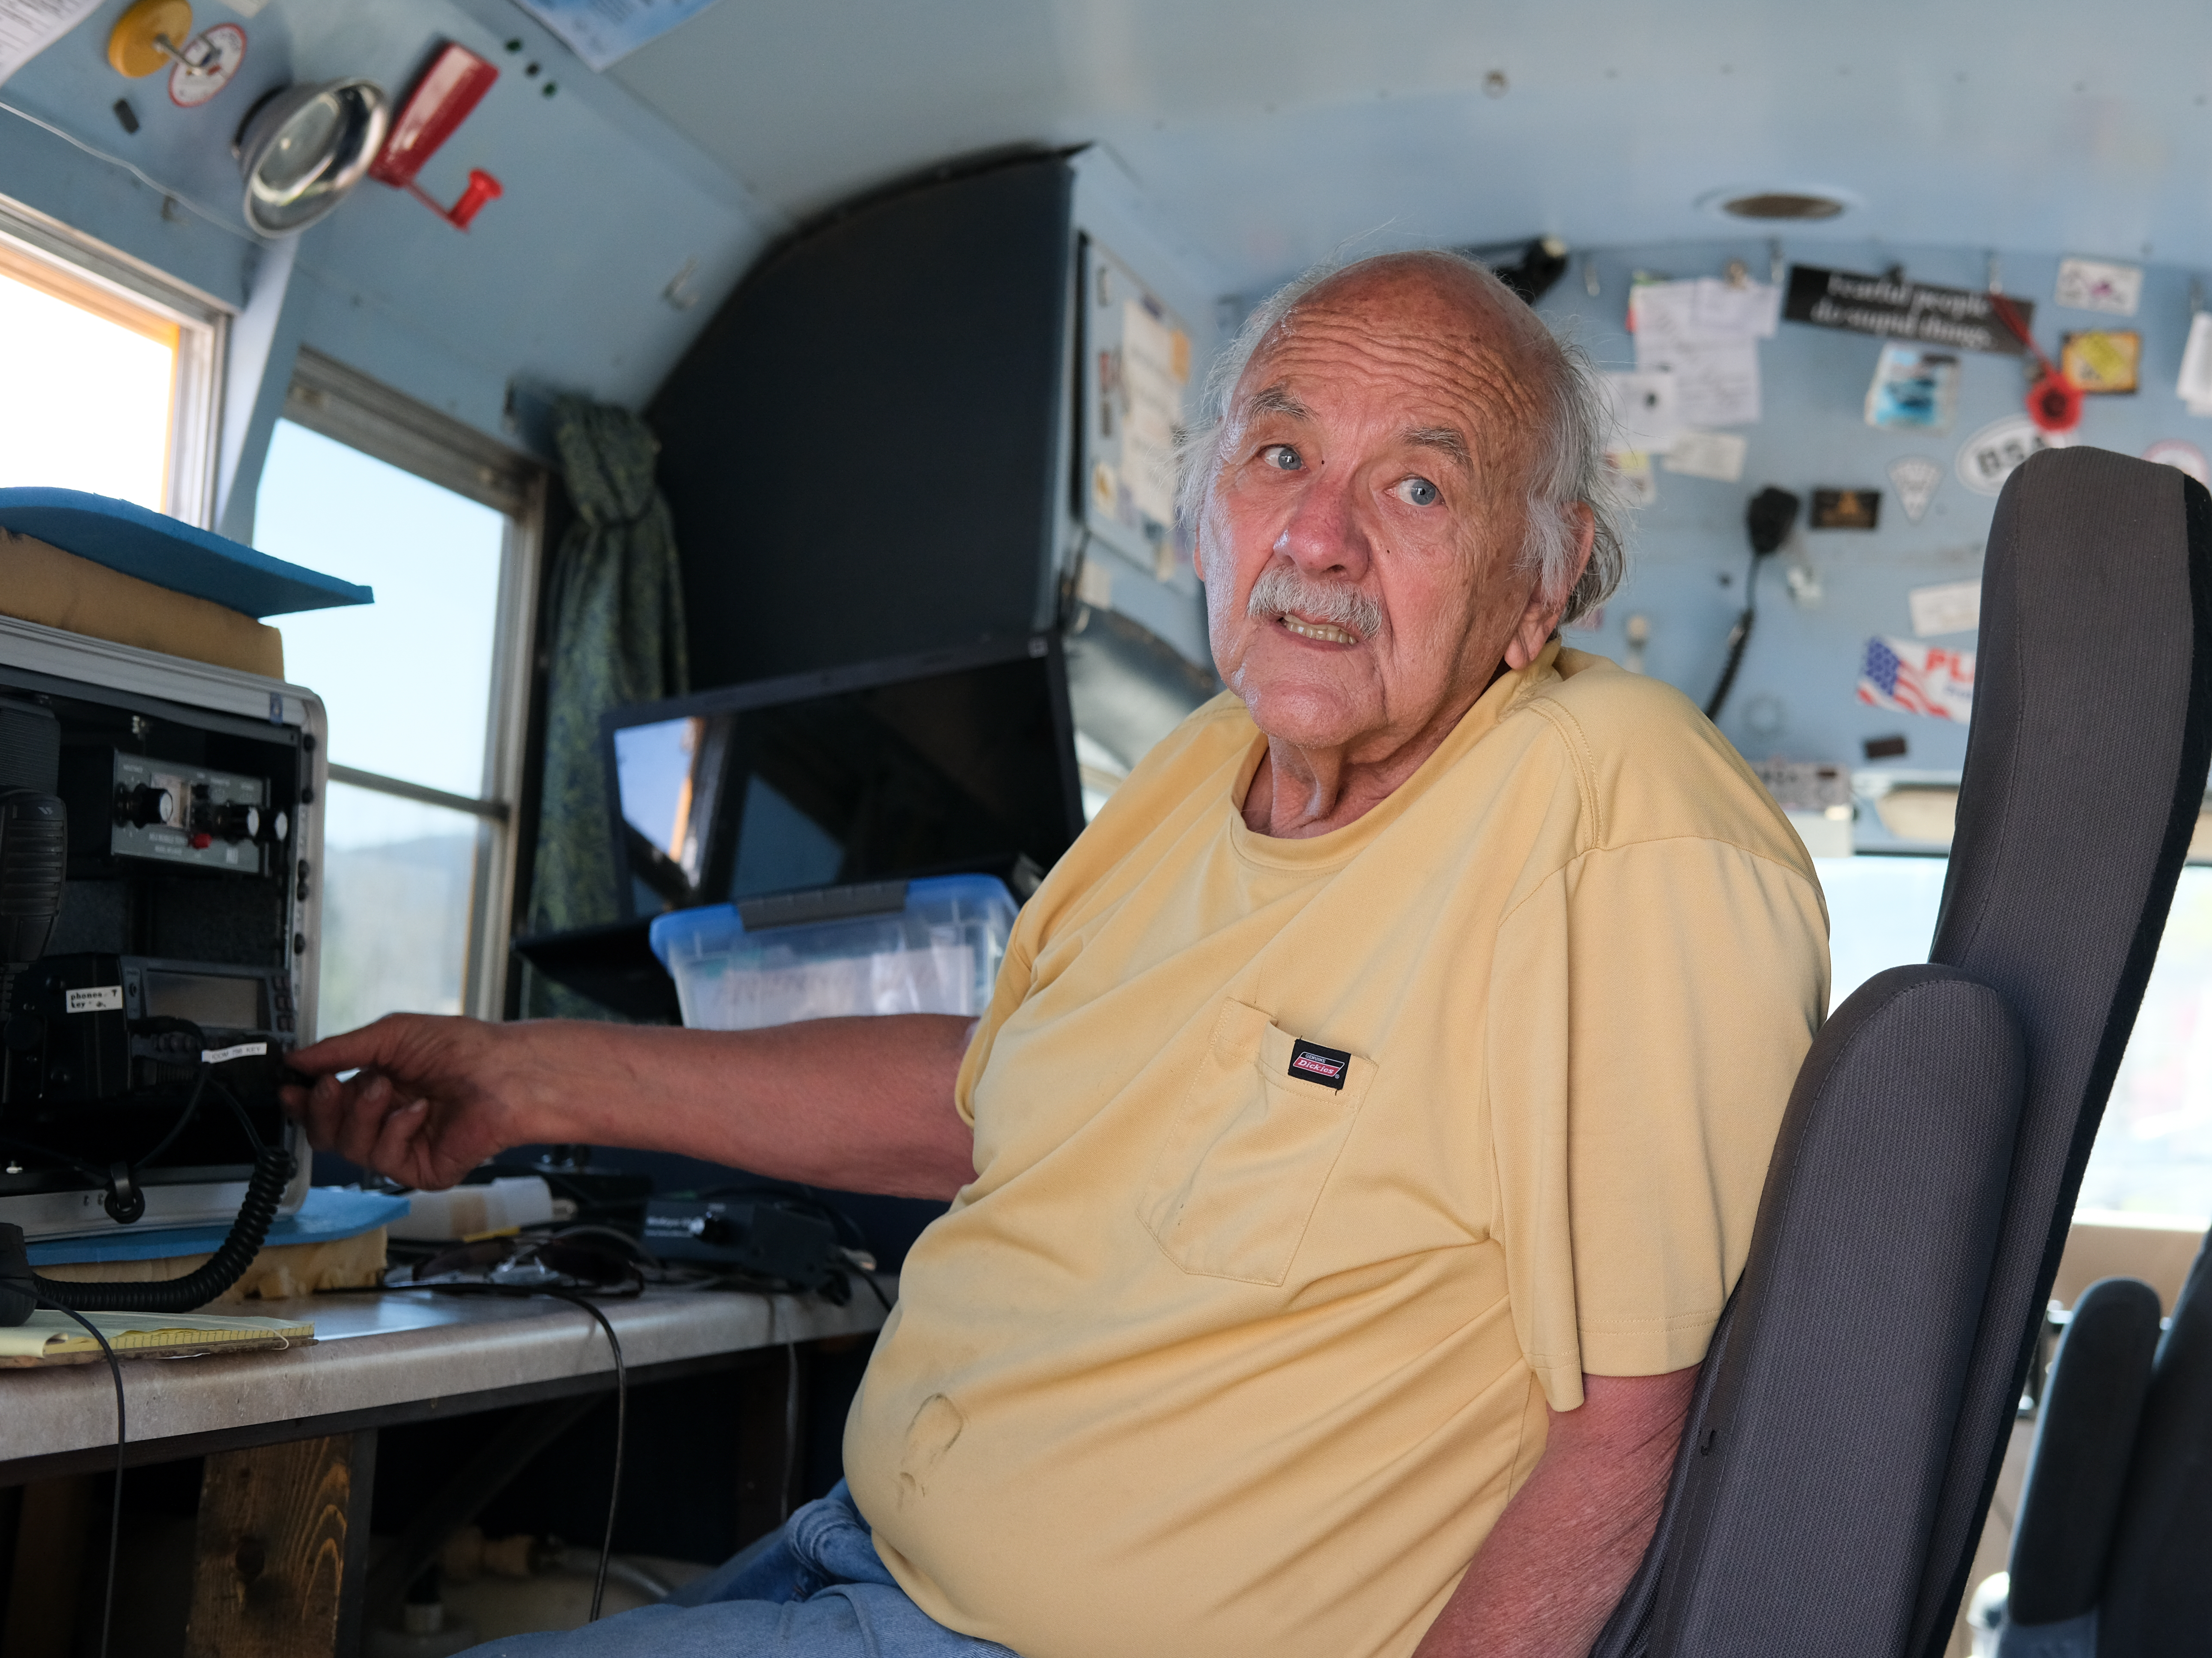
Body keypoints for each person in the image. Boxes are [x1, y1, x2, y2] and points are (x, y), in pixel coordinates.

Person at [288, 250, 1830, 1658]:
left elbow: (1647, 1430)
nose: (1318, 537)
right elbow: (985, 1101)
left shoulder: (1620, 813)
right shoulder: (1192, 771)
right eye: (1280, 457)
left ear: (1543, 582)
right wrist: (523, 1075)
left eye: (1420, 491)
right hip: (857, 1553)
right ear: (1207, 505)